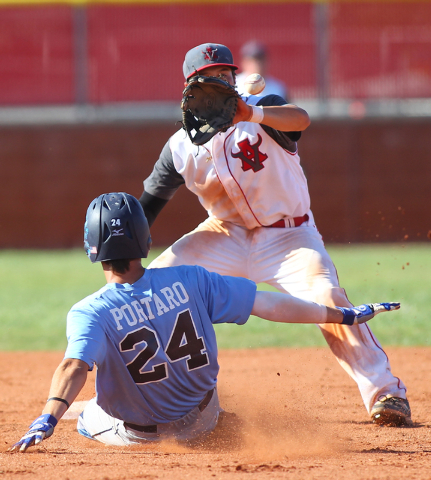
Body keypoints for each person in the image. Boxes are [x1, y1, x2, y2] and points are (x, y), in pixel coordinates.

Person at [138, 43, 412, 427]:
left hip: (290, 236)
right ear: (190, 88)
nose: (222, 82)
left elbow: (300, 120)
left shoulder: (264, 106)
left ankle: (386, 393)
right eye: (211, 77)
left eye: (226, 75)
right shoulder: (180, 147)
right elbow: (149, 203)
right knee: (155, 288)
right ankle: (160, 399)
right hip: (224, 235)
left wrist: (253, 112)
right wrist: (127, 246)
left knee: (326, 297)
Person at [11, 192, 399, 452]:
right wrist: (342, 314)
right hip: (204, 419)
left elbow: (74, 366)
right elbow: (268, 305)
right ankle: (209, 421)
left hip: (137, 436)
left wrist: (47, 417)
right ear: (146, 242)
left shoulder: (89, 311)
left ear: (91, 248)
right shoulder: (190, 278)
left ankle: (84, 410)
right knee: (191, 391)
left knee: (89, 413)